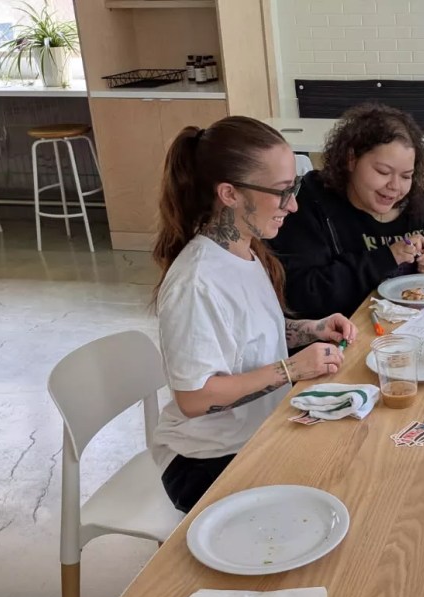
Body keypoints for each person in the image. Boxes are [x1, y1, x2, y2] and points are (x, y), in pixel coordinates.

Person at [150, 116, 358, 513]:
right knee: (341, 490)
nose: (293, 205)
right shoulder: (196, 282)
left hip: (257, 433)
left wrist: (311, 329)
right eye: (282, 192)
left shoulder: (245, 249)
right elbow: (194, 398)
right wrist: (292, 369)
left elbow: (248, 337)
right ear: (229, 194)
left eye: (295, 187)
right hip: (205, 460)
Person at [270, 104, 424, 319]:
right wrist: (386, 258)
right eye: (383, 172)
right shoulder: (311, 204)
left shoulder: (420, 205)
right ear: (351, 159)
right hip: (342, 332)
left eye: (406, 176)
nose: (395, 187)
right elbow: (303, 295)